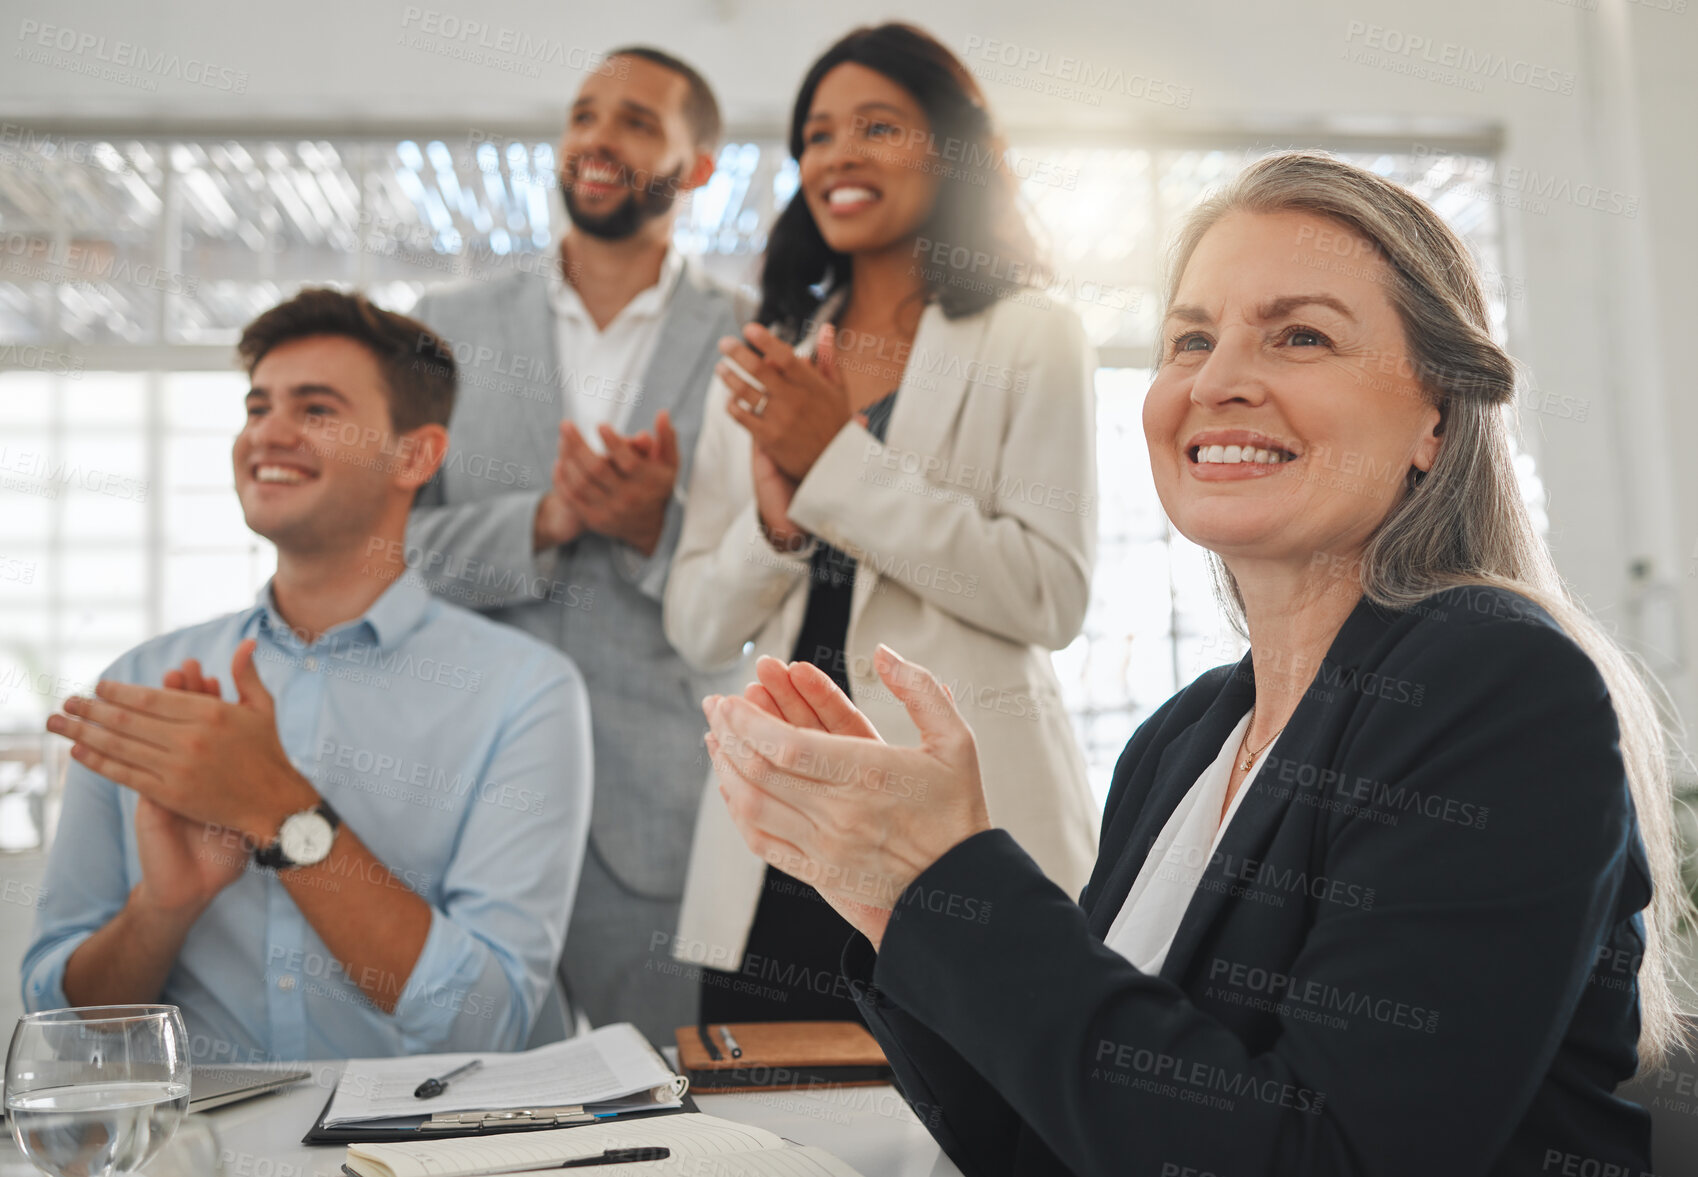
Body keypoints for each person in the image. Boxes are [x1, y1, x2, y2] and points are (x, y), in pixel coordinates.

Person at [701, 152, 1689, 1175]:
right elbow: (1049, 1134)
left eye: (1300, 335)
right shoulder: (1181, 738)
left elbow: (1326, 1159)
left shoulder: (1494, 683)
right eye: (1190, 340)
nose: (1217, 381)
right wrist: (894, 896)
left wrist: (950, 871)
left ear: (1434, 415)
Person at [23, 289, 592, 1063]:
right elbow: (64, 1028)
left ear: (416, 455)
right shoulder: (142, 684)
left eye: (316, 409)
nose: (269, 433)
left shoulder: (527, 693)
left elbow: (490, 1022)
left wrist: (282, 811)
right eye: (257, 408)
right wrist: (162, 907)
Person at [664, 22, 1099, 1022]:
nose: (839, 155)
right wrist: (775, 528)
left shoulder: (1035, 334)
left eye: (878, 126)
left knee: (973, 1129)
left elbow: (1050, 590)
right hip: (777, 826)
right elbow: (693, 623)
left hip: (954, 826)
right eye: (817, 135)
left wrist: (834, 465)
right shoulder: (765, 358)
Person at [403, 47, 739, 1042]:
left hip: (665, 817)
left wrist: (650, 529)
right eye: (584, 115)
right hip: (467, 801)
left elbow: (770, 594)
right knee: (475, 1114)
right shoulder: (447, 328)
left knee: (684, 1119)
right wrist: (542, 521)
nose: (597, 137)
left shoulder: (754, 342)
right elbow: (387, 557)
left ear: (699, 168)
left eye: (636, 121)